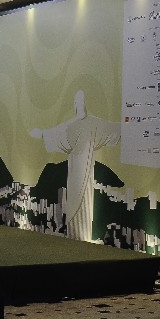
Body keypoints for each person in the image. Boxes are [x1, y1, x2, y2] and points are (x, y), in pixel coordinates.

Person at [30, 90, 121, 241]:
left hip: (87, 171)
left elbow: (112, 128)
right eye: (77, 101)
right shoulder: (71, 125)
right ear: (74, 104)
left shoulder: (94, 123)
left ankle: (83, 236)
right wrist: (43, 134)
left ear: (85, 104)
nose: (80, 104)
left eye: (82, 101)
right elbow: (57, 133)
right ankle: (75, 234)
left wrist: (129, 125)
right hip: (74, 174)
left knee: (85, 201)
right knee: (74, 202)